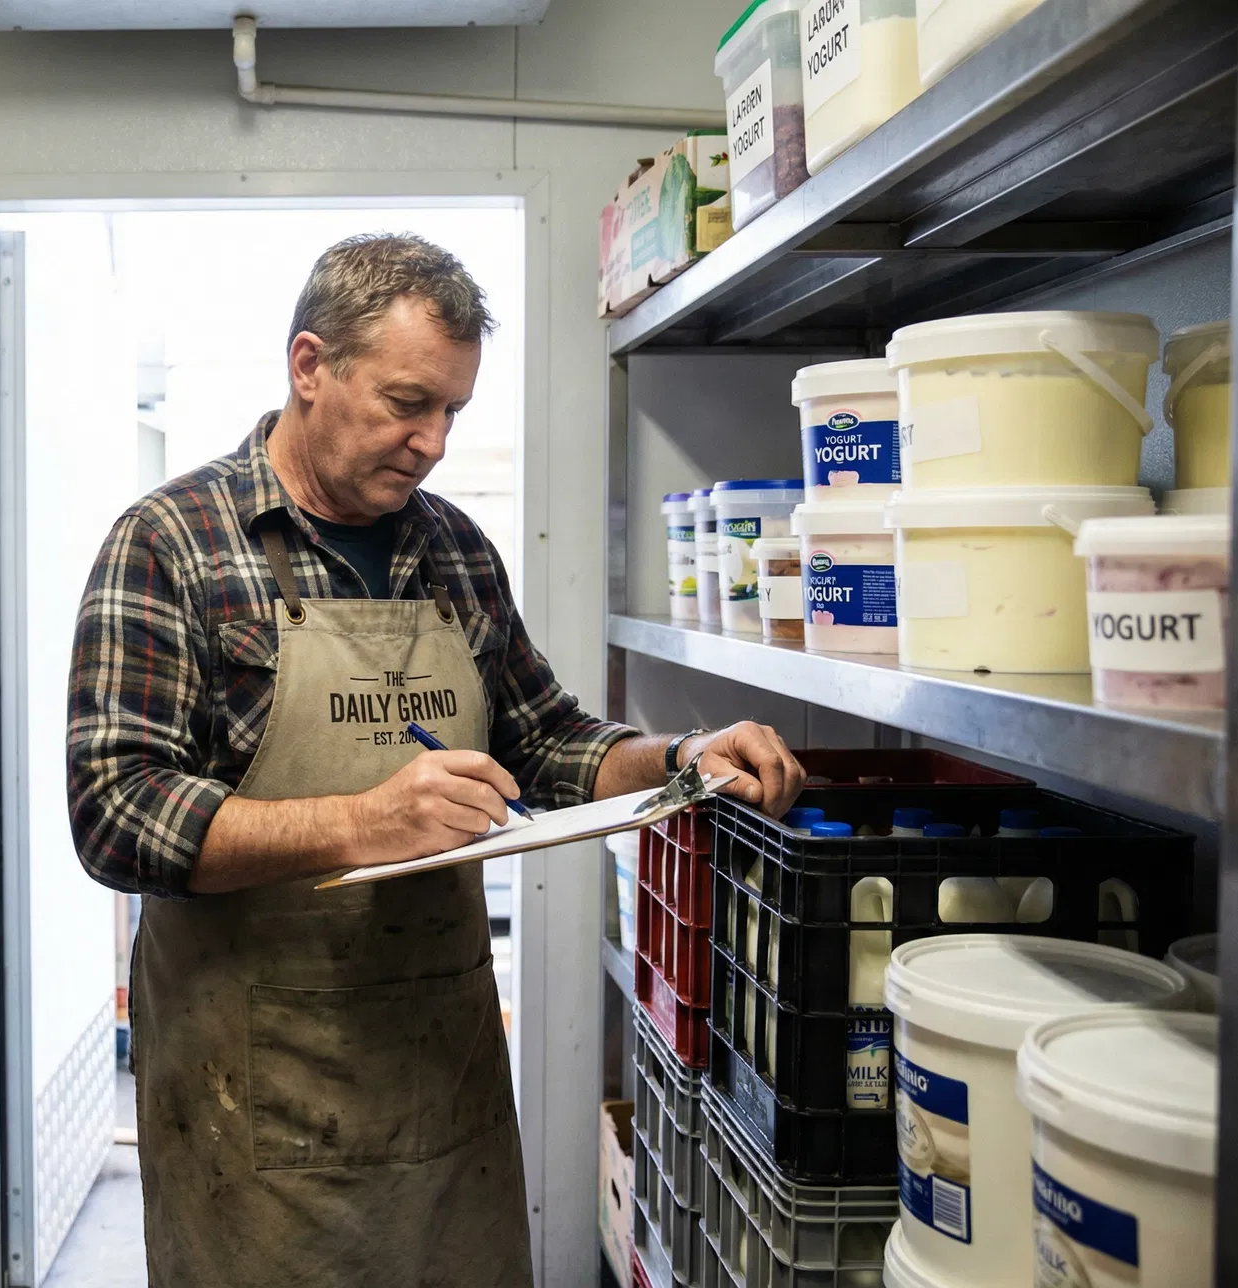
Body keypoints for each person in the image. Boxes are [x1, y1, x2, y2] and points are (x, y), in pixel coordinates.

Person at [66, 233, 806, 1287]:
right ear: (310, 366)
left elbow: (547, 741)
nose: (434, 442)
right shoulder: (170, 543)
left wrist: (683, 758)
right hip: (253, 1102)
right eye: (408, 403)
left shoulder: (454, 550)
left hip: (437, 1074)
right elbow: (115, 810)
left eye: (453, 410)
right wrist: (364, 822)